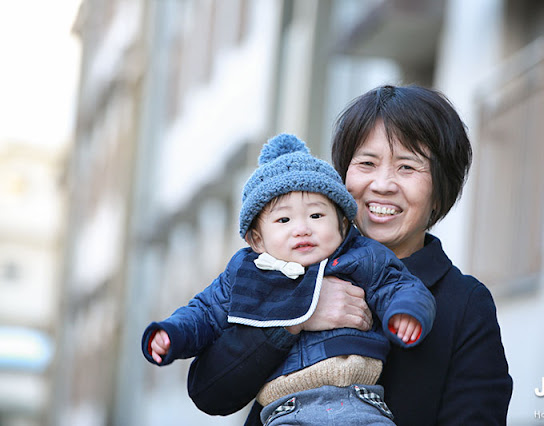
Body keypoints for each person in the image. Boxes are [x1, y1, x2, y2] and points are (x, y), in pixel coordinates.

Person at [186, 84, 513, 425]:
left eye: (407, 167)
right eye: (367, 163)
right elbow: (209, 392)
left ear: (439, 189)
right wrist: (299, 314)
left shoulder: (464, 303)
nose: (383, 184)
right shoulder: (282, 267)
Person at [141, 133, 436, 425]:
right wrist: (172, 335)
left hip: (359, 402)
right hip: (287, 411)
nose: (302, 229)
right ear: (257, 238)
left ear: (343, 225)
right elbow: (204, 312)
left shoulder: (361, 256)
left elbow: (397, 284)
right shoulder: (246, 272)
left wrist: (405, 311)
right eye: (284, 220)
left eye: (316, 216)